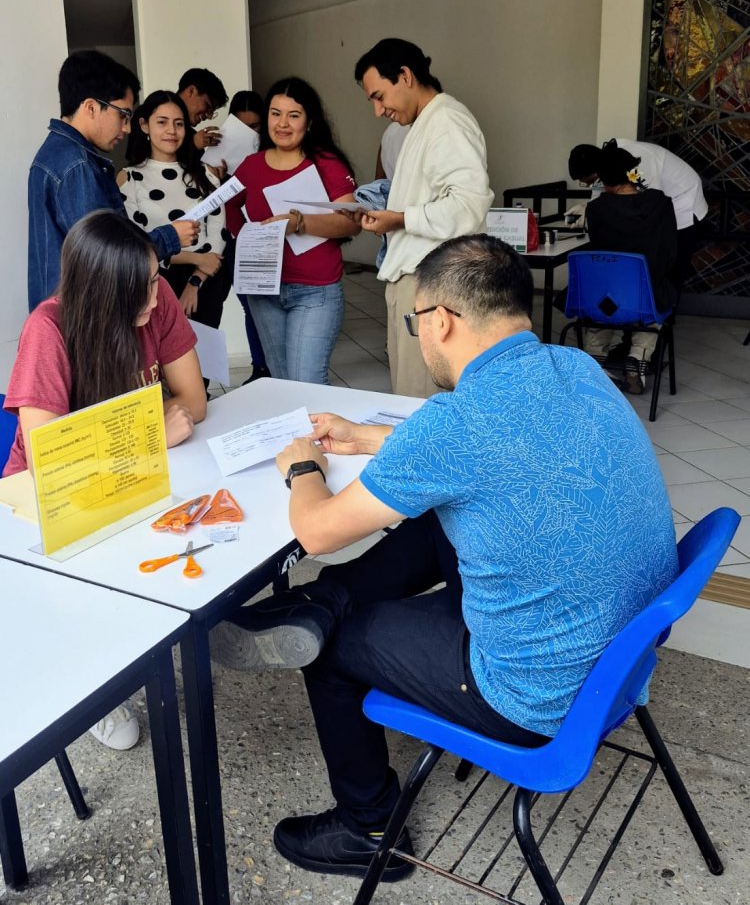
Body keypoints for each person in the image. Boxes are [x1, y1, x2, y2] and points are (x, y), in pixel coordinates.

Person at [211, 234, 677, 882]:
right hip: (614, 651)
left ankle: (367, 826)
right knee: (439, 519)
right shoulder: (575, 367)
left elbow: (316, 533)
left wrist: (303, 468)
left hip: (533, 692)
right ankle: (317, 602)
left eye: (415, 322)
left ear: (441, 320)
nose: (420, 337)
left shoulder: (458, 423)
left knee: (333, 649)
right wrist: (369, 437)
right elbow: (494, 451)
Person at [4, 210, 206, 750]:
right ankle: (90, 675)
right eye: (142, 288)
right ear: (102, 293)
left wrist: (143, 440)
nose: (155, 297)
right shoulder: (48, 329)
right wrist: (149, 437)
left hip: (128, 484)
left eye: (155, 279)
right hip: (41, 509)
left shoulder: (155, 294)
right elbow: (52, 464)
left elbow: (193, 401)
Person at [354, 38, 493, 397]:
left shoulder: (446, 120)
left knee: (420, 400)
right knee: (410, 394)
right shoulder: (424, 123)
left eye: (379, 97)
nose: (378, 111)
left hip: (431, 283)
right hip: (420, 280)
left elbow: (467, 205)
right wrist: (386, 216)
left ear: (405, 76)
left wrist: (400, 219)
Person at [27, 50, 198, 311]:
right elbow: (109, 256)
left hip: (65, 314)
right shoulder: (77, 166)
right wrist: (171, 236)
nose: (127, 128)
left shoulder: (55, 155)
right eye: (123, 115)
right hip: (84, 318)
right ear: (91, 107)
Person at [225, 77, 359, 384]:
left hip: (315, 291)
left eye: (293, 115)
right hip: (264, 290)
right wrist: (244, 239)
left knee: (307, 383)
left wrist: (299, 223)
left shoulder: (326, 163)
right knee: (282, 383)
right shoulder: (251, 165)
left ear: (309, 122)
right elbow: (229, 205)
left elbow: (352, 222)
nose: (282, 123)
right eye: (275, 114)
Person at [119, 90, 228, 340]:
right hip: (153, 282)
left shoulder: (206, 175)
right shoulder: (129, 178)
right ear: (144, 125)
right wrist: (197, 258)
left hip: (204, 283)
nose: (172, 130)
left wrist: (195, 281)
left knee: (203, 360)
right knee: (156, 358)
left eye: (179, 124)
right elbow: (138, 243)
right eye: (162, 122)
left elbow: (218, 233)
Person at [583, 140, 678, 395]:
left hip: (605, 297)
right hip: (645, 294)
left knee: (600, 298)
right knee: (654, 302)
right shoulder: (660, 203)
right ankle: (637, 360)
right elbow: (670, 252)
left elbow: (598, 251)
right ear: (631, 172)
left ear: (604, 180)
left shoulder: (596, 209)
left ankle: (595, 360)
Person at [568, 137, 707, 289]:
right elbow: (602, 195)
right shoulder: (610, 164)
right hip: (657, 209)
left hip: (683, 201)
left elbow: (648, 204)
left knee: (671, 268)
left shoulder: (638, 164)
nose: (594, 186)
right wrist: (589, 209)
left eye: (591, 181)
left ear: (599, 172)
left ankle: (662, 301)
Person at [223, 91, 270, 380]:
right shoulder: (213, 151)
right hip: (235, 241)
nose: (249, 134)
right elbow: (225, 204)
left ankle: (273, 368)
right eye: (243, 127)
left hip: (270, 240)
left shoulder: (271, 156)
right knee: (250, 306)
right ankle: (260, 367)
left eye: (255, 127)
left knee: (267, 306)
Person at [354, 122, 412, 269]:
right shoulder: (423, 128)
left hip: (391, 220)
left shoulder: (389, 131)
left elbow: (378, 182)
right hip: (413, 222)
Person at [178, 67, 228, 151]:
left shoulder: (194, 137)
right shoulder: (157, 112)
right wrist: (193, 144)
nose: (208, 116)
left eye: (212, 112)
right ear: (191, 91)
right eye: (207, 105)